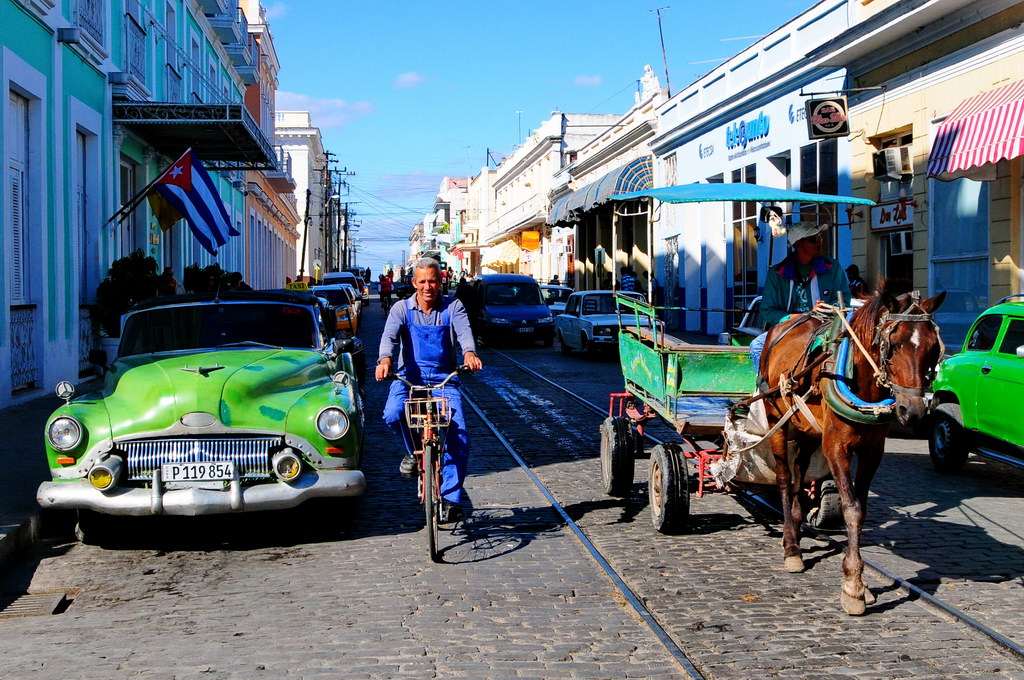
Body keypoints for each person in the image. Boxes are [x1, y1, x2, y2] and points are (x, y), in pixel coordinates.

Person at [376, 257, 483, 523]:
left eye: (432, 281)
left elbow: (465, 333)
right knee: (392, 413)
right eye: (422, 281)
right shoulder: (401, 309)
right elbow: (389, 336)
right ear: (414, 283)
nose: (427, 287)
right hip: (409, 379)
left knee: (459, 437)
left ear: (440, 282)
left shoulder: (453, 306)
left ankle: (450, 499)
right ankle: (414, 453)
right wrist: (385, 360)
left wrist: (469, 353)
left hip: (443, 380)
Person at [749, 221, 850, 374]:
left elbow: (844, 299)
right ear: (799, 244)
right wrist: (793, 317)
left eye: (820, 237)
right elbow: (767, 310)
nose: (820, 242)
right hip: (790, 327)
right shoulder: (777, 273)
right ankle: (763, 388)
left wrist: (827, 308)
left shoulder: (832, 267)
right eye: (814, 239)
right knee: (757, 345)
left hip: (825, 325)